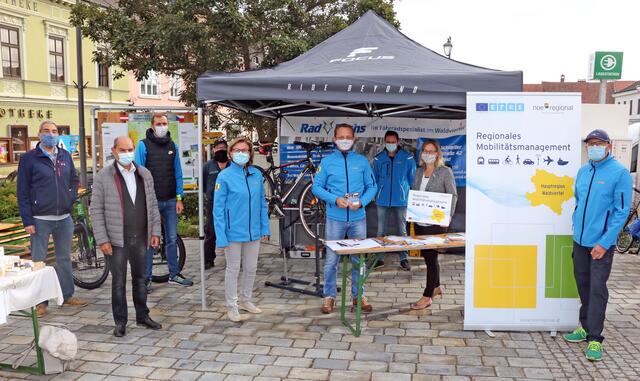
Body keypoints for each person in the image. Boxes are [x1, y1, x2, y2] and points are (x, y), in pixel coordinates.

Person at [563, 129, 632, 362]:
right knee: (582, 284)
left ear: (609, 146)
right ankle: (584, 327)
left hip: (601, 244)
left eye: (598, 143)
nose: (593, 147)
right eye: (590, 144)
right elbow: (579, 202)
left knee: (597, 288)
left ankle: (595, 338)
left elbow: (622, 212)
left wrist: (604, 242)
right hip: (580, 241)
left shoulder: (620, 173)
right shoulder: (583, 171)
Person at [91, 136, 163, 337]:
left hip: (141, 236)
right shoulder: (103, 176)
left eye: (130, 149)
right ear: (114, 151)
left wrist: (155, 231)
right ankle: (120, 321)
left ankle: (143, 316)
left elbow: (153, 205)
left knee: (141, 278)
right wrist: (102, 239)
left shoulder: (144, 174)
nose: (127, 153)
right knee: (118, 282)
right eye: (122, 150)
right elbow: (95, 210)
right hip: (116, 239)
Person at [17, 120, 87, 317]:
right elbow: (22, 191)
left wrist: (70, 196)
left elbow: (74, 179)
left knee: (64, 259)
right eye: (46, 131)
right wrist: (27, 220)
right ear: (39, 134)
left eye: (54, 131)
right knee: (39, 262)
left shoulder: (64, 155)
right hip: (40, 219)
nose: (51, 134)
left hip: (64, 217)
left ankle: (67, 295)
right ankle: (40, 303)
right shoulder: (29, 159)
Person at [312, 123, 377, 314]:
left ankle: (359, 297)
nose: (345, 140)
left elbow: (372, 186)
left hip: (358, 218)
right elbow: (316, 187)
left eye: (348, 136)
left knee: (359, 260)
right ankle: (329, 297)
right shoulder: (327, 162)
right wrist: (334, 199)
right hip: (335, 218)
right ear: (334, 139)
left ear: (354, 139)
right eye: (341, 137)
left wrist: (363, 201)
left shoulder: (362, 161)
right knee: (331, 261)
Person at [135, 113, 193, 291]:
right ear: (152, 126)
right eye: (159, 123)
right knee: (151, 240)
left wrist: (179, 198)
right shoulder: (143, 145)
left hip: (169, 201)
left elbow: (178, 173)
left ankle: (174, 274)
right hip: (150, 202)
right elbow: (139, 174)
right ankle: (147, 278)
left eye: (165, 123)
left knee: (172, 238)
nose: (162, 126)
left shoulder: (173, 146)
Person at [214, 137, 269, 322]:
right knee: (233, 269)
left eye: (244, 150)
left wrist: (265, 227)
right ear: (230, 153)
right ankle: (232, 306)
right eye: (237, 150)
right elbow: (218, 210)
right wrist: (220, 237)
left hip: (253, 231)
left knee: (251, 267)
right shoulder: (224, 176)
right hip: (232, 233)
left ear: (250, 153)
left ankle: (246, 299)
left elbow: (262, 203)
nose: (241, 153)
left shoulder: (256, 175)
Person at [409, 140, 457, 310]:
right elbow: (414, 193)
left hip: (436, 222)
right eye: (425, 150)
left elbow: (453, 195)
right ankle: (436, 287)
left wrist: (448, 216)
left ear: (437, 154)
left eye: (431, 151)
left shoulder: (445, 172)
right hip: (420, 221)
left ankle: (427, 295)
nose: (428, 154)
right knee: (429, 256)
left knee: (430, 258)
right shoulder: (418, 171)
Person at [372, 131, 416, 271]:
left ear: (398, 142)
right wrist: (377, 192)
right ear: (385, 142)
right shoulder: (379, 159)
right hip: (382, 199)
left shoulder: (407, 158)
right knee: (381, 230)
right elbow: (375, 178)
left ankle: (404, 258)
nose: (391, 144)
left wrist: (404, 191)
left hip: (401, 199)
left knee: (402, 230)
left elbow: (412, 178)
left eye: (393, 141)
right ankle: (379, 259)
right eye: (388, 142)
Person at [203, 139, 229, 269]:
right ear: (213, 150)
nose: (221, 149)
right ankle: (208, 259)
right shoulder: (208, 166)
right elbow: (203, 184)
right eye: (218, 147)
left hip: (231, 204)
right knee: (211, 232)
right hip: (213, 204)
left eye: (223, 147)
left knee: (231, 231)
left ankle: (233, 258)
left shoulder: (232, 165)